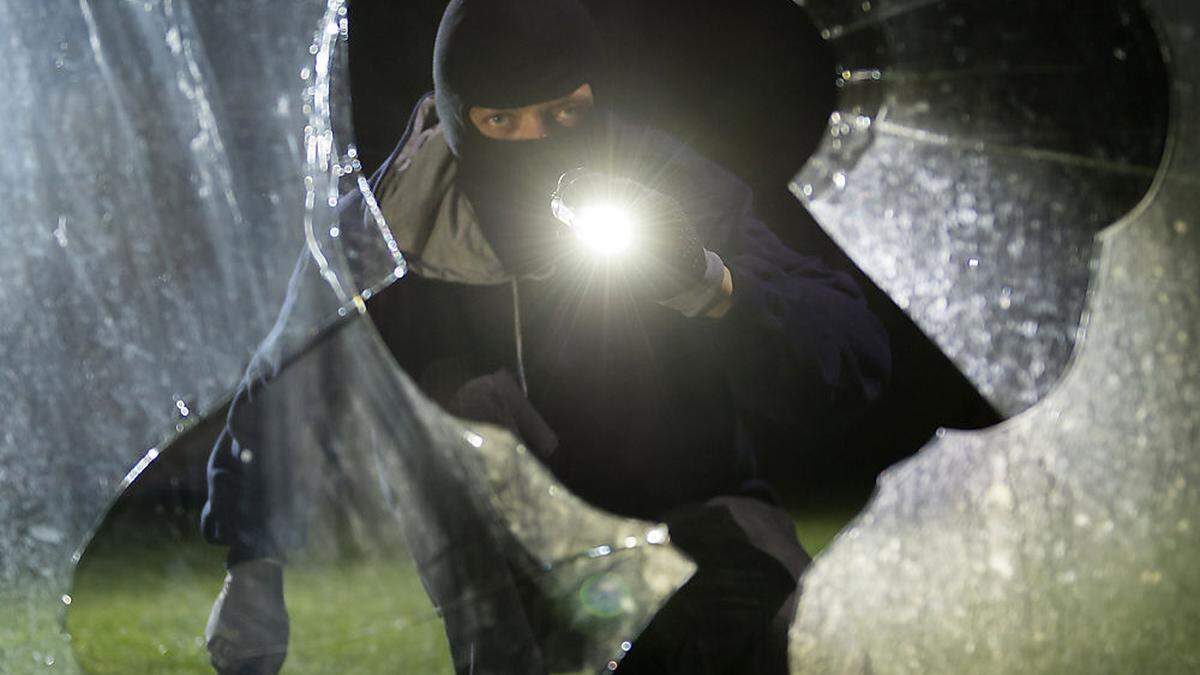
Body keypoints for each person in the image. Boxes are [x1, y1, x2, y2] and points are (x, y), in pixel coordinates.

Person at [201, 0, 891, 673]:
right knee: (463, 403)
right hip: (508, 576)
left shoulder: (670, 185)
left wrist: (710, 286)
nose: (536, 140)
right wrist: (253, 560)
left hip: (698, 529)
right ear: (455, 113)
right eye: (502, 119)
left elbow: (850, 349)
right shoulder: (386, 233)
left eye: (563, 112)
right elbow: (291, 380)